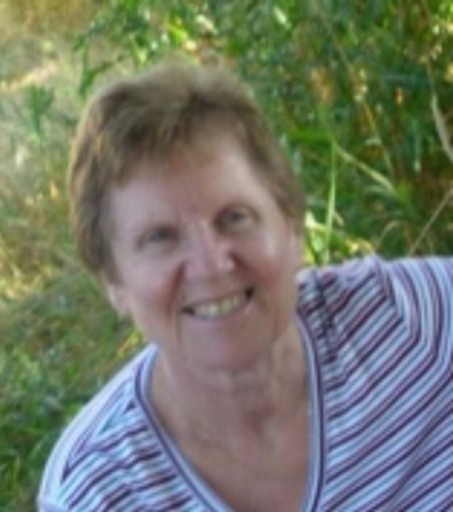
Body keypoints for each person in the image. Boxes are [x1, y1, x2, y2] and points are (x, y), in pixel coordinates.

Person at [38, 59, 453, 512]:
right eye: (160, 238)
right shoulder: (95, 492)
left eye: (234, 217)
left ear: (292, 227)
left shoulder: (408, 321)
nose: (211, 265)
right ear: (113, 283)